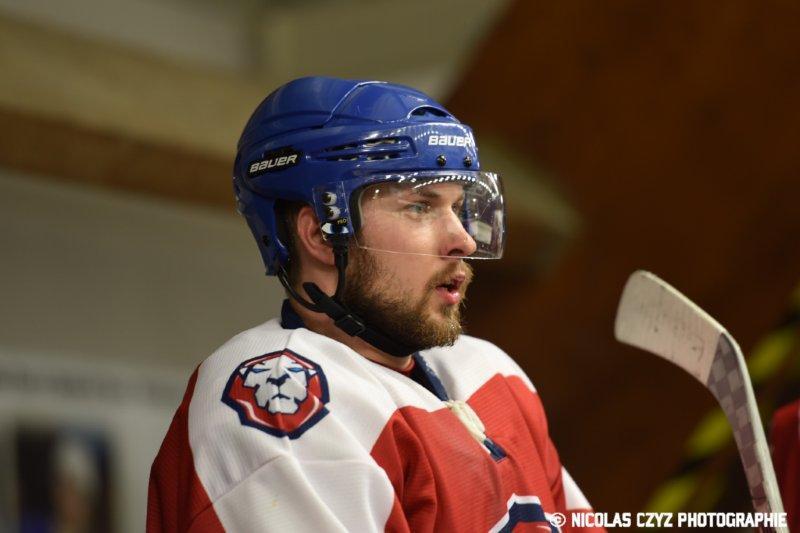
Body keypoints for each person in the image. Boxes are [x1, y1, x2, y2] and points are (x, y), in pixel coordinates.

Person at [147, 76, 602, 532]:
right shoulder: (280, 398)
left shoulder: (491, 373)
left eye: (458, 207)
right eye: (420, 207)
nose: (462, 239)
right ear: (323, 233)